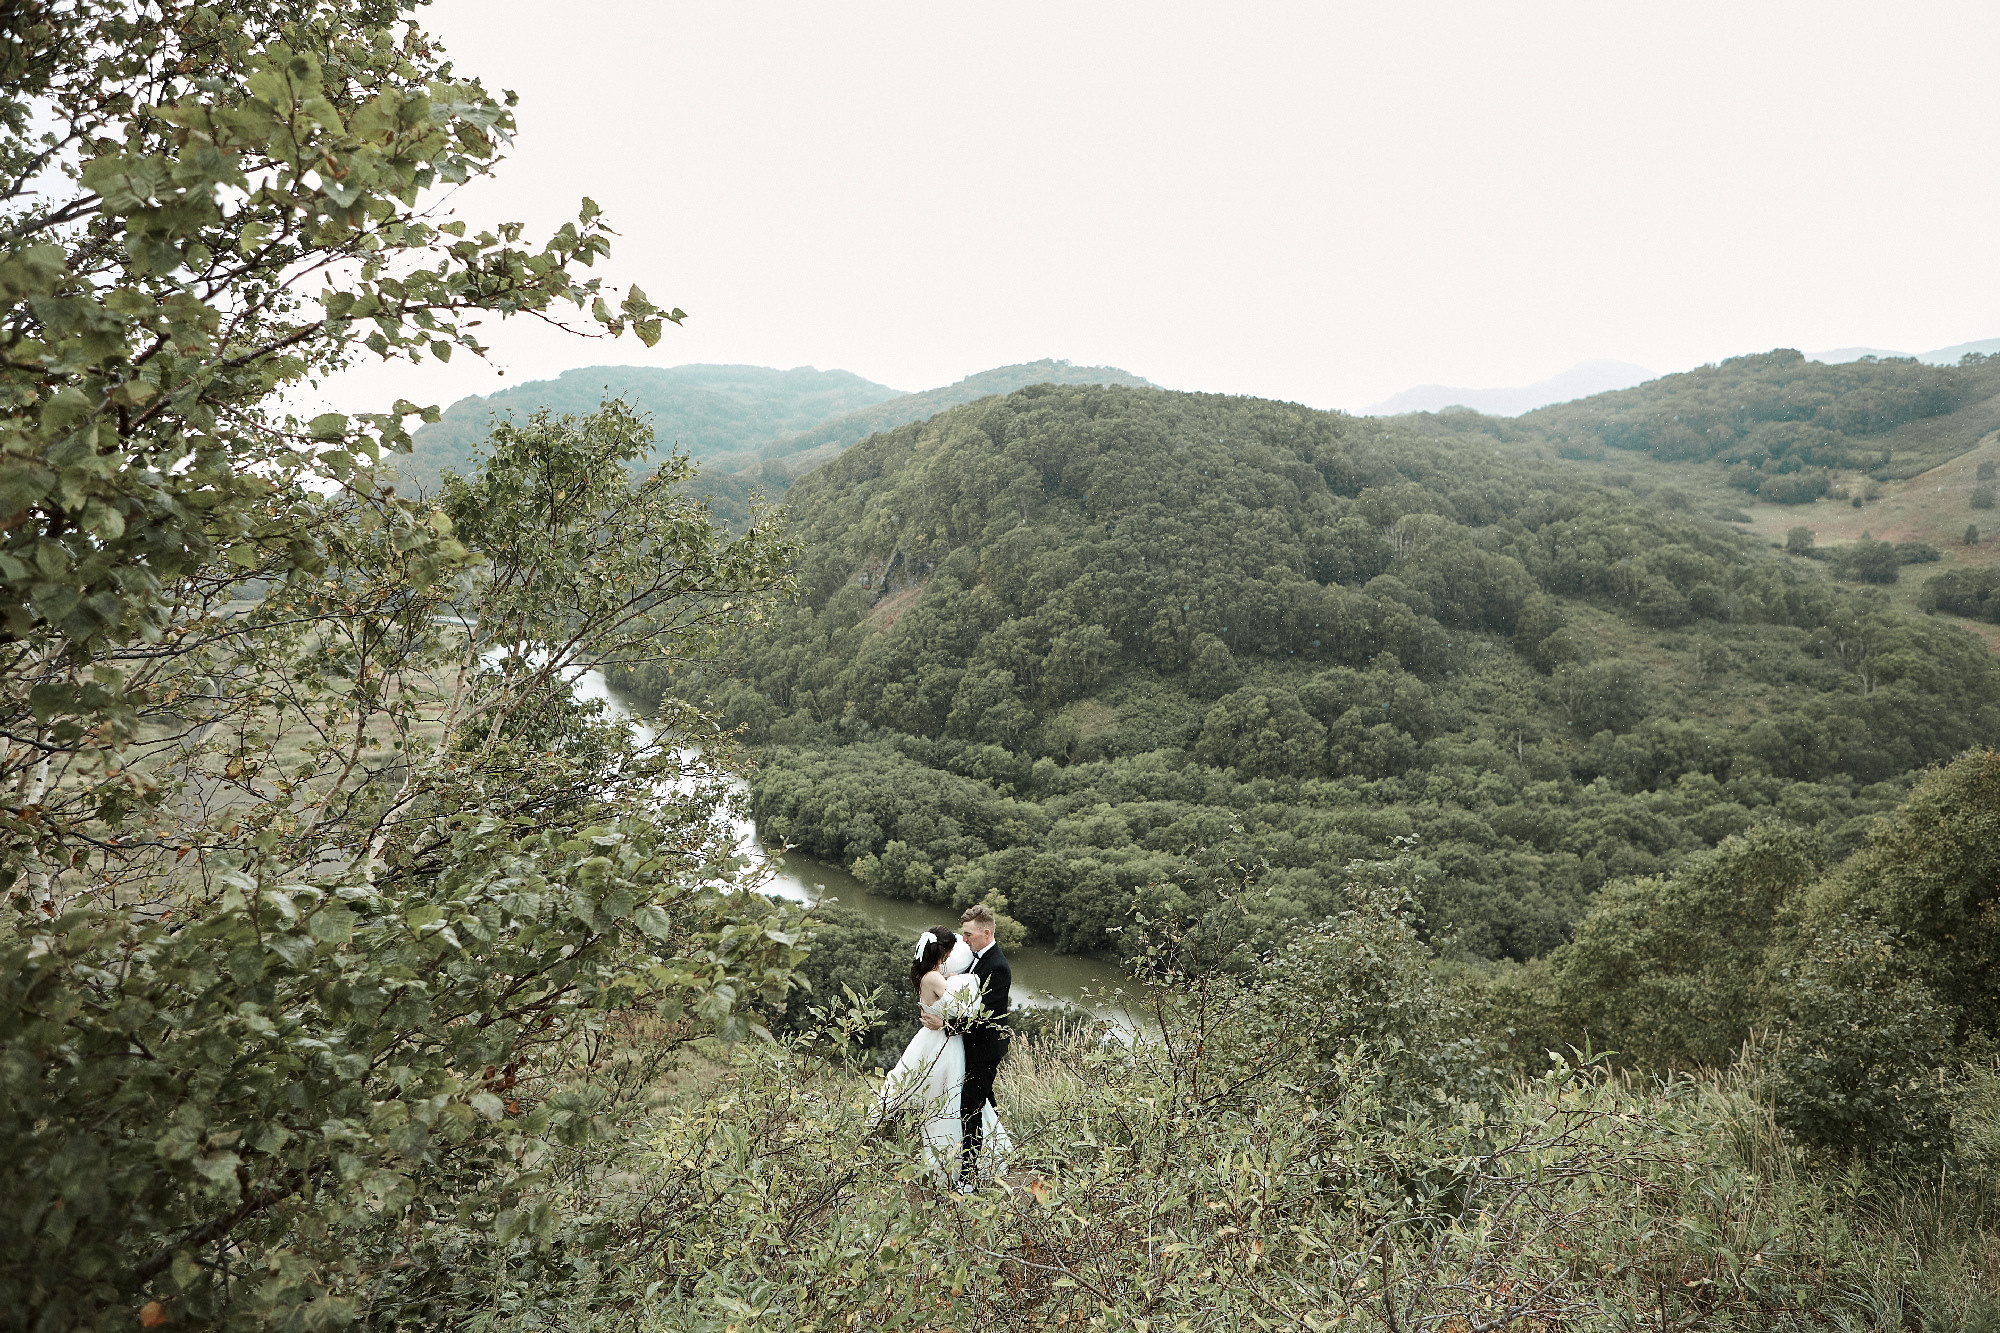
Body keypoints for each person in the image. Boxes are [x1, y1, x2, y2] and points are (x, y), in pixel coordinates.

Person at [872, 923, 1010, 1188]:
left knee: (954, 1099)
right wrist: (968, 982)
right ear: (943, 953)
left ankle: (959, 1158)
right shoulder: (935, 979)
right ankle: (953, 1164)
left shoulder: (930, 975)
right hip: (944, 1042)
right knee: (949, 1100)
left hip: (939, 1038)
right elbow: (962, 1006)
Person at [920, 904, 1011, 1192]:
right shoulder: (972, 958)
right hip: (966, 1046)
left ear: (986, 933)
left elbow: (985, 1018)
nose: (965, 939)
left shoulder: (997, 967)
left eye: (969, 934)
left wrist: (943, 1024)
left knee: (970, 1110)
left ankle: (968, 1180)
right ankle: (993, 1152)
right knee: (981, 1103)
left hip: (983, 1047)